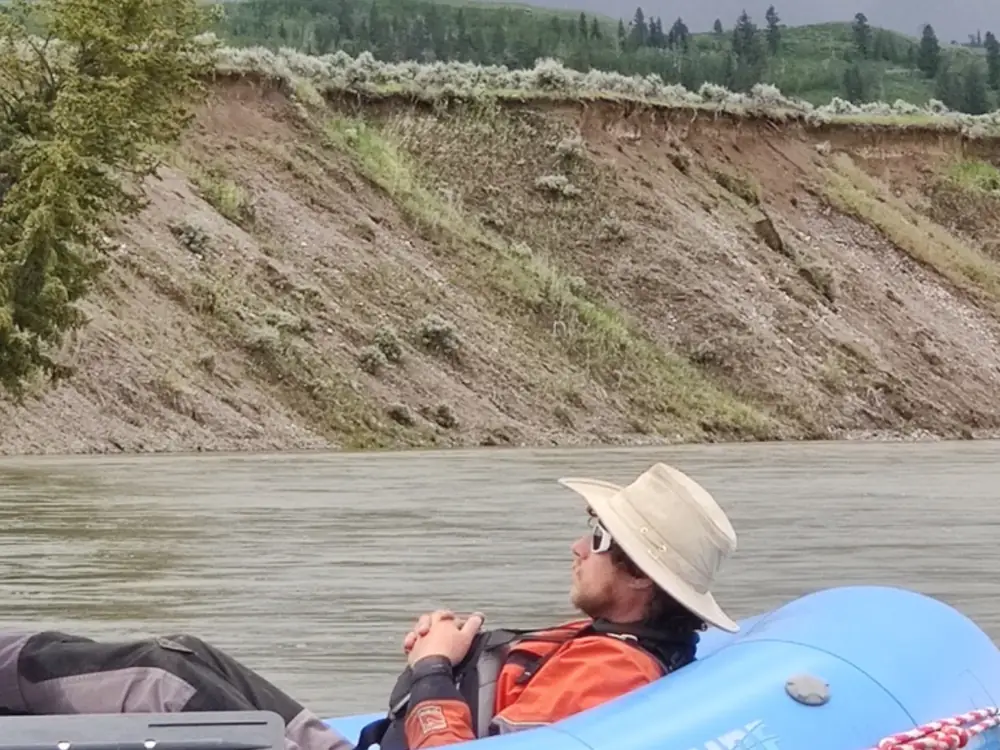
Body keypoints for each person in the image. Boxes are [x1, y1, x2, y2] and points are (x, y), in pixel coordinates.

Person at [362, 461, 739, 750]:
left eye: (598, 537)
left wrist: (432, 669)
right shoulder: (617, 638)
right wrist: (448, 651)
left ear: (640, 576)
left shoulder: (610, 673)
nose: (578, 548)